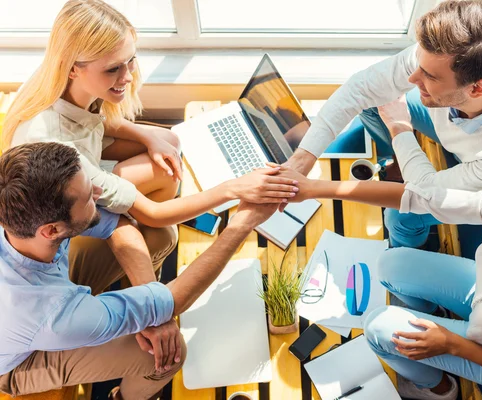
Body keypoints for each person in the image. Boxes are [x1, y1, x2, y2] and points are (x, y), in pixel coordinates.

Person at [1, 0, 298, 288]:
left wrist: (147, 135)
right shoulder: (56, 150)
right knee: (163, 230)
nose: (128, 76)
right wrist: (233, 188)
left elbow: (93, 120)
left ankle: (157, 237)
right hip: (68, 222)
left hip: (86, 165)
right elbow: (151, 213)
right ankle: (142, 270)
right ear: (73, 68)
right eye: (113, 69)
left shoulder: (57, 83)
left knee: (168, 142)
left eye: (131, 60)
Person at [278, 168, 482, 399]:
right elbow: (421, 198)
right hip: (478, 302)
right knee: (390, 264)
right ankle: (430, 320)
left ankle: (439, 388)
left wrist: (451, 344)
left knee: (377, 327)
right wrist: (316, 188)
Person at [0, 142, 276, 399]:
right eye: (87, 197)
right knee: (167, 354)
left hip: (48, 294)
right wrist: (241, 225)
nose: (98, 194)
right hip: (19, 359)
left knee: (160, 236)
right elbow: (176, 300)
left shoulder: (24, 221)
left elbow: (116, 224)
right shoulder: (52, 315)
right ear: (52, 230)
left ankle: (130, 308)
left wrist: (151, 312)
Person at [283, 0, 482, 248]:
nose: (413, 79)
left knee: (401, 216)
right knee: (375, 102)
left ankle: (406, 252)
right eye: (418, 63)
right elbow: (360, 88)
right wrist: (300, 162)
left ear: (477, 89)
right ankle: (401, 164)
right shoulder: (446, 57)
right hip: (460, 138)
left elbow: (426, 191)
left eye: (429, 76)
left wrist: (400, 129)